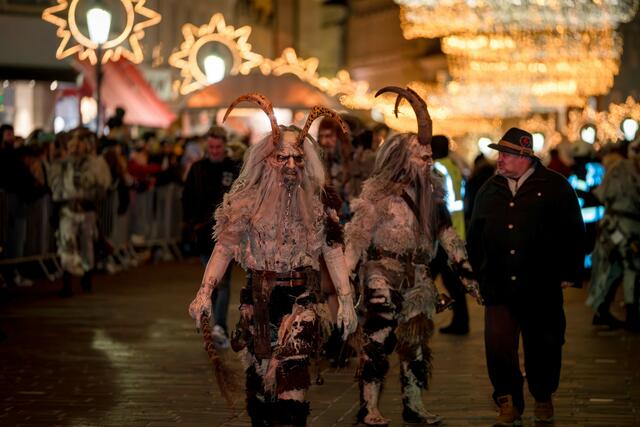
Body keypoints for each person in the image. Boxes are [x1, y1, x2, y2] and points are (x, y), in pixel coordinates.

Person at [188, 93, 357, 427]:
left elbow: (332, 249)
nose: (291, 165)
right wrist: (204, 292)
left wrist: (347, 299)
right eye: (283, 158)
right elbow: (224, 247)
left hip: (301, 300)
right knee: (262, 389)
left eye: (298, 158)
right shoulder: (246, 201)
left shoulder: (319, 201)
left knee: (292, 383)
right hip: (259, 300)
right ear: (268, 159)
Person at [345, 87, 482, 426]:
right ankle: (369, 408)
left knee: (415, 343)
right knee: (378, 338)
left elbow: (447, 235)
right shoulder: (379, 194)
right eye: (422, 157)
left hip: (418, 277)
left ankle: (414, 404)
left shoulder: (432, 197)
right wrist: (344, 278)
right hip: (383, 271)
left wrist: (468, 275)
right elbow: (358, 235)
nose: (428, 162)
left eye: (429, 157)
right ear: (403, 158)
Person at [467, 127, 585, 426]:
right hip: (498, 284)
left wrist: (570, 272)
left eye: (505, 155)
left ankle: (543, 396)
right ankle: (508, 402)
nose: (499, 160)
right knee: (498, 347)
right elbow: (475, 234)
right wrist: (476, 274)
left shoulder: (556, 186)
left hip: (540, 285)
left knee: (544, 344)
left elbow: (574, 231)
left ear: (524, 156)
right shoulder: (490, 188)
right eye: (499, 154)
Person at [182, 126, 240, 346]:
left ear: (224, 146)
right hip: (204, 236)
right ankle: (217, 322)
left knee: (223, 282)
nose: (215, 151)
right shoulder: (197, 169)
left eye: (218, 147)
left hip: (227, 235)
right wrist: (193, 224)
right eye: (212, 147)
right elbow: (186, 198)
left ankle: (220, 326)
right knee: (211, 281)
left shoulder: (234, 168)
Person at [49, 128, 112, 296]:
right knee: (67, 243)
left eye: (79, 143)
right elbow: (55, 184)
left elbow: (102, 186)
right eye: (72, 143)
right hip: (68, 209)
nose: (75, 147)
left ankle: (87, 276)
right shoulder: (62, 164)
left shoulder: (95, 164)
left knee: (86, 245)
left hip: (86, 210)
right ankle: (67, 282)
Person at [587, 139, 640, 332]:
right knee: (630, 267)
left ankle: (602, 310)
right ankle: (630, 315)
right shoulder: (622, 168)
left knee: (614, 269)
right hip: (623, 228)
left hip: (613, 226)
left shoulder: (618, 167)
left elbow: (601, 194)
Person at [430, 134, 470, 334]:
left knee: (439, 278)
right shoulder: (452, 166)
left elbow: (438, 202)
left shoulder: (437, 169)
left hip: (444, 232)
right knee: (451, 279)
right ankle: (460, 321)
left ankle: (459, 321)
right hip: (456, 228)